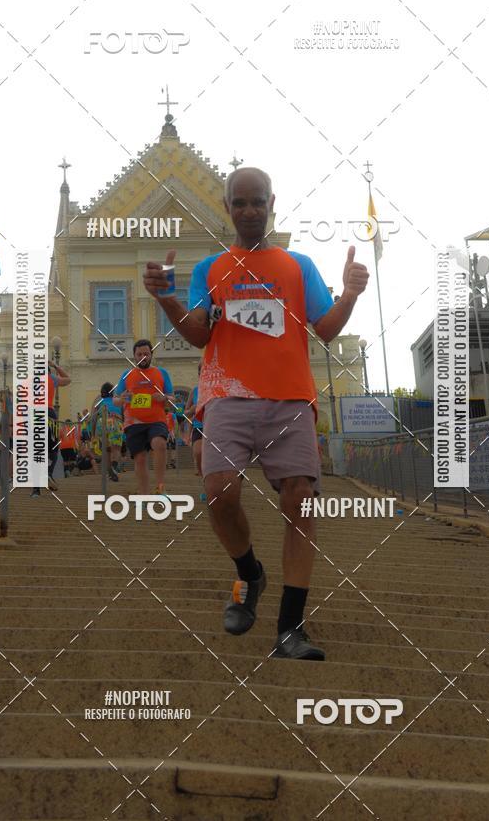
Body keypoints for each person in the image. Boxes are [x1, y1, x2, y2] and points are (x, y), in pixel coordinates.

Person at [143, 166, 369, 660]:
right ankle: (249, 573)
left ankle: (291, 629)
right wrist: (165, 298)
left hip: (290, 398)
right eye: (239, 202)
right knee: (219, 491)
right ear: (227, 207)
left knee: (300, 502)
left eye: (257, 202)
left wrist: (350, 294)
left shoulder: (297, 266)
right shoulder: (210, 269)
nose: (249, 210)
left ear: (272, 204)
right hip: (226, 394)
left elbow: (325, 329)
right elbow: (200, 333)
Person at [113, 340, 173, 495]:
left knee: (159, 444)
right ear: (134, 356)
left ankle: (160, 487)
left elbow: (173, 398)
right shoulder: (126, 375)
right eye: (139, 354)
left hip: (156, 420)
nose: (143, 357)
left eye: (146, 354)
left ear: (151, 354)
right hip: (133, 423)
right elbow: (116, 400)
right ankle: (144, 494)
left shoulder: (162, 373)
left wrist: (163, 397)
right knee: (140, 459)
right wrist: (123, 398)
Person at [31, 361, 71, 498]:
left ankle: (36, 490)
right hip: (49, 413)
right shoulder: (51, 378)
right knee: (53, 447)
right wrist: (55, 365)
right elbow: (68, 379)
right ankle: (48, 473)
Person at [91, 383, 123, 482]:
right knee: (116, 448)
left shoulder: (98, 401)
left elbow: (93, 418)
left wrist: (93, 433)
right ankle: (114, 467)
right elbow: (124, 415)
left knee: (106, 450)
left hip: (102, 423)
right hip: (115, 421)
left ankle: (110, 471)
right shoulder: (118, 401)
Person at [183, 361, 206, 499]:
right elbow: (185, 412)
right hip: (199, 426)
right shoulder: (195, 391)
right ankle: (206, 484)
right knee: (198, 453)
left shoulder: (218, 388)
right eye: (201, 371)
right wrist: (191, 410)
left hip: (215, 427)